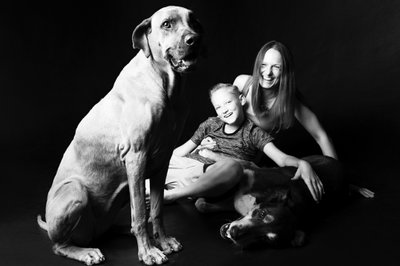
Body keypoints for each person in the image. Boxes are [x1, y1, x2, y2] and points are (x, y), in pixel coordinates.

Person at [228, 40, 373, 197]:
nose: (267, 73)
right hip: (221, 146)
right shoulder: (242, 82)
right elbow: (221, 119)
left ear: (285, 71)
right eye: (264, 65)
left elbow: (321, 136)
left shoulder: (289, 103)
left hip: (247, 161)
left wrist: (339, 178)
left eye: (276, 67)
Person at [163, 83, 324, 204]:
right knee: (161, 157)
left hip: (210, 176)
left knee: (234, 168)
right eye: (218, 107)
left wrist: (302, 163)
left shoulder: (253, 132)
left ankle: (172, 194)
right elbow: (180, 152)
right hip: (184, 168)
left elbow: (281, 159)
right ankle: (158, 190)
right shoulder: (210, 124)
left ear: (241, 99)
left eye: (228, 103)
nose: (224, 110)